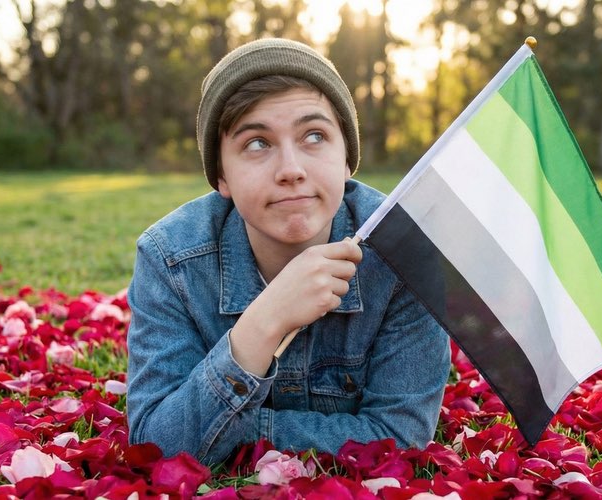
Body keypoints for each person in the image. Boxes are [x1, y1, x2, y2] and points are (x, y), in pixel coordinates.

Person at [125, 38, 451, 466]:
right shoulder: (170, 259)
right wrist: (265, 320)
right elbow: (155, 444)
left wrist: (238, 434)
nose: (291, 170)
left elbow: (399, 439)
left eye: (314, 136)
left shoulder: (408, 252)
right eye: (257, 143)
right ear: (221, 176)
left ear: (347, 158)